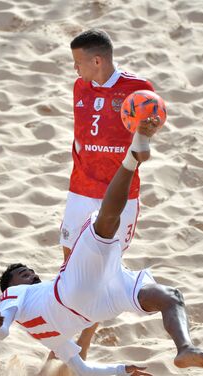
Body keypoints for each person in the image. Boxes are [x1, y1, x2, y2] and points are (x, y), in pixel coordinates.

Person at [0, 121, 203, 375]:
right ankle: (132, 157)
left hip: (97, 306)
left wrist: (122, 370)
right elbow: (4, 322)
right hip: (70, 292)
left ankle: (184, 347)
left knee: (170, 297)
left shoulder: (52, 339)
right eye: (21, 272)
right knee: (103, 221)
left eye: (28, 269)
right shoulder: (15, 296)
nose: (28, 271)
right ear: (10, 286)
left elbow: (83, 370)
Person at [62, 28, 158, 359]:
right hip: (79, 191)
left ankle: (77, 352)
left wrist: (144, 137)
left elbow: (144, 148)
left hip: (118, 199)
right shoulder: (80, 87)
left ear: (97, 60)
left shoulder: (139, 92)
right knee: (68, 272)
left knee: (95, 275)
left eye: (78, 63)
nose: (75, 70)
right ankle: (69, 347)